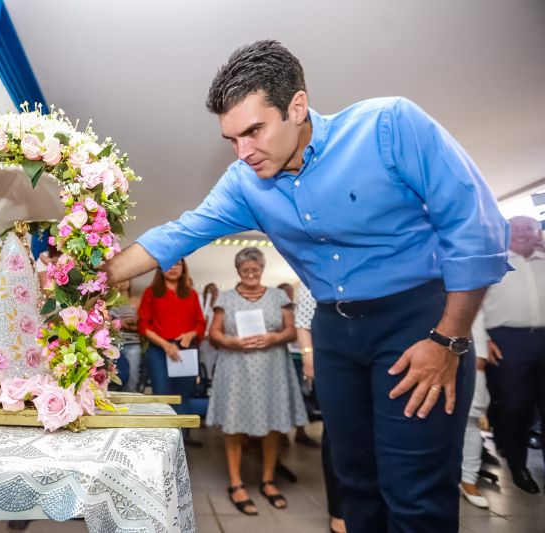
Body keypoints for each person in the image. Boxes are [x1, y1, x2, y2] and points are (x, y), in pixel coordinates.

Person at [104, 40, 509, 532]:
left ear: (297, 106)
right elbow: (177, 235)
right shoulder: (244, 182)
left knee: (415, 492)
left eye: (254, 131)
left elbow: (475, 227)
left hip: (419, 323)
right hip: (334, 332)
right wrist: (86, 278)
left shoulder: (388, 126)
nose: (243, 152)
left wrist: (449, 339)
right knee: (354, 481)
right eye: (231, 139)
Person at [207, 247, 306, 515]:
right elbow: (214, 333)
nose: (250, 274)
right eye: (245, 270)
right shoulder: (226, 298)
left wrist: (274, 337)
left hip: (272, 366)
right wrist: (231, 342)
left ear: (262, 269)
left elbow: (291, 331)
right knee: (234, 422)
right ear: (237, 271)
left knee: (272, 421)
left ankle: (268, 480)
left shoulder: (279, 296)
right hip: (235, 366)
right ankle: (236, 483)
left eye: (255, 269)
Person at [482, 216, 545, 494]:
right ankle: (518, 467)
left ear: (538, 233)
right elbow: (473, 303)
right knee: (515, 407)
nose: (521, 233)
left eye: (527, 228)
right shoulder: (492, 262)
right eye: (515, 228)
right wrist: (483, 340)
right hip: (506, 340)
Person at [294, 282, 346, 533]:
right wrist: (308, 355)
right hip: (335, 360)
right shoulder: (317, 274)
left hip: (384, 357)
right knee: (337, 434)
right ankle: (339, 510)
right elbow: (303, 321)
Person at [137, 259, 206, 444]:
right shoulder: (151, 293)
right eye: (169, 264)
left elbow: (200, 323)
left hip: (185, 351)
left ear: (184, 268)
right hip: (159, 351)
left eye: (178, 264)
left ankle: (182, 442)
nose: (173, 267)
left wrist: (191, 334)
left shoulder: (191, 294)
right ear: (160, 268)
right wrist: (165, 345)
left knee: (183, 397)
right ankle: (164, 443)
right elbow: (143, 325)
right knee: (163, 397)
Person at [278, 281, 320, 449]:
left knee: (304, 394)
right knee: (285, 395)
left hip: (303, 357)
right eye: (285, 292)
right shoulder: (276, 311)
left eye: (290, 292)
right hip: (285, 356)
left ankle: (301, 432)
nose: (289, 295)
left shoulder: (299, 307)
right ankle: (281, 434)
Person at [460, 310, 492, 508]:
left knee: (471, 419)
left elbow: (476, 309)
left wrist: (480, 353)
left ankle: (468, 480)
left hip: (466, 343)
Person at [110, 280, 143, 392]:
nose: (124, 282)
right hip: (112, 346)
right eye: (122, 279)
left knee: (132, 379)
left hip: (132, 345)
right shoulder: (110, 300)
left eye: (127, 279)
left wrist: (127, 325)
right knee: (111, 378)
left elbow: (143, 325)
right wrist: (120, 323)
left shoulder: (136, 301)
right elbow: (104, 323)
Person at [199, 283, 220, 377]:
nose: (213, 293)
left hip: (217, 342)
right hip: (205, 341)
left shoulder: (219, 308)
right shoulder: (202, 308)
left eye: (215, 290)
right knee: (206, 363)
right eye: (210, 291)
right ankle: (206, 380)